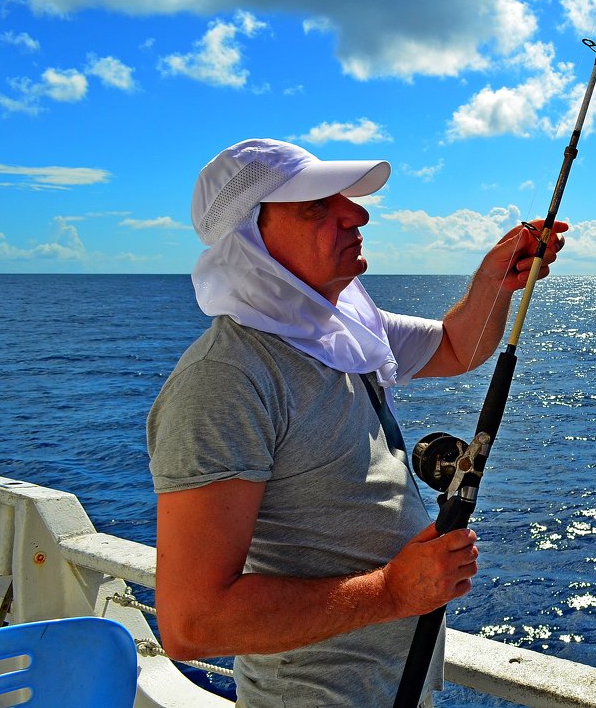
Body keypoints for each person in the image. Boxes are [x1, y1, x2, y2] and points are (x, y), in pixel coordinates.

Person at [146, 138, 566, 707]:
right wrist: (391, 593)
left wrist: (494, 279)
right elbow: (193, 623)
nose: (357, 213)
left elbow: (453, 347)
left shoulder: (339, 328)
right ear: (249, 239)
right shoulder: (226, 379)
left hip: (395, 687)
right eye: (316, 207)